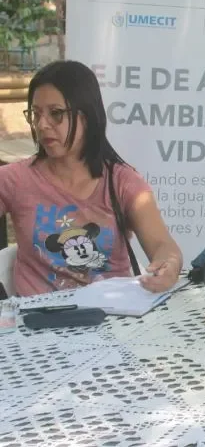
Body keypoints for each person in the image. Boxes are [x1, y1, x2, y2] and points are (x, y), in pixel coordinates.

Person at [0, 60, 183, 297]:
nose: (42, 125)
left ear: (87, 116)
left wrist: (168, 266)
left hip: (112, 318)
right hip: (40, 325)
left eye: (56, 114)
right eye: (35, 114)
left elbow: (163, 246)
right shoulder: (14, 179)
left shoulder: (122, 182)